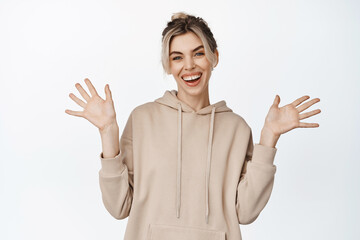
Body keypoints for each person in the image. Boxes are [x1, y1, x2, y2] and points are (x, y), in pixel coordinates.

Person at [65, 12, 321, 240]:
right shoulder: (143, 119)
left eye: (198, 53)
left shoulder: (236, 129)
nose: (189, 66)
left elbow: (246, 211)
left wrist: (269, 137)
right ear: (169, 65)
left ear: (214, 57)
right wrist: (108, 131)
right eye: (177, 57)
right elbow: (118, 206)